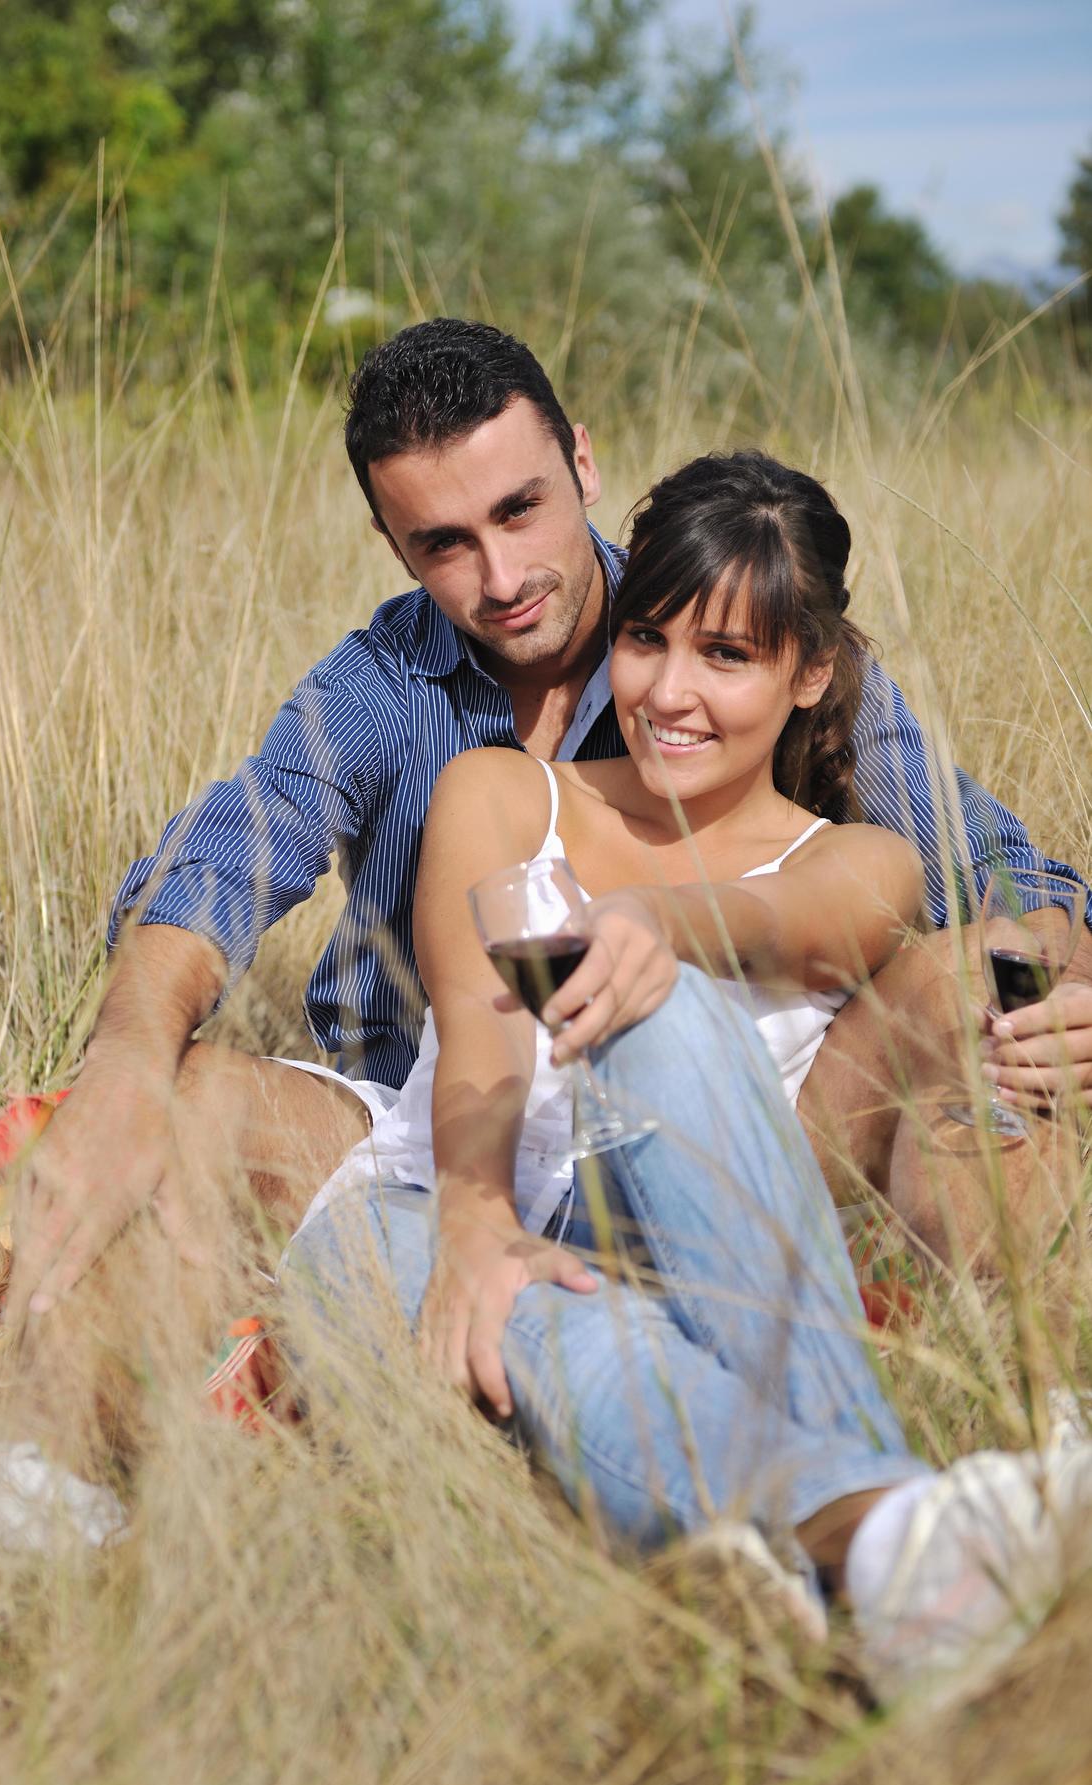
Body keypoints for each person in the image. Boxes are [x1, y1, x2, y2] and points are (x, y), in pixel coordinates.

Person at [5, 318, 1092, 1335]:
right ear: (395, 547)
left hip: (719, 1131)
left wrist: (1058, 977)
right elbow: (226, 857)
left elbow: (989, 868)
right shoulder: (380, 687)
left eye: (518, 509)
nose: (503, 578)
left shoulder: (719, 615)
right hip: (428, 1115)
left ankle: (1010, 1376)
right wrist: (127, 1061)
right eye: (444, 543)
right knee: (184, 1101)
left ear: (581, 464)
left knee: (993, 1009)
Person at [277, 449, 1092, 1707]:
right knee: (480, 1299)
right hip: (446, 1206)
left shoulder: (865, 859)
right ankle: (897, 1537)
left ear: (808, 673)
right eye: (648, 639)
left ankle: (876, 1544)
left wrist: (659, 924)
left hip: (702, 1250)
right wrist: (480, 1228)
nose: (666, 691)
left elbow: (790, 922)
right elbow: (480, 1045)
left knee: (653, 1022)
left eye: (727, 656)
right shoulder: (501, 795)